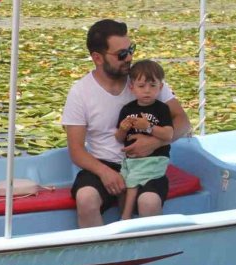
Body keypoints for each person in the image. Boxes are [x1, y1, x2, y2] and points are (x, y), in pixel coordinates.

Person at [61, 19, 190, 228]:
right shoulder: (80, 93)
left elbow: (183, 122)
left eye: (130, 49)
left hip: (146, 165)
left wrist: (155, 143)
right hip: (104, 164)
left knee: (149, 202)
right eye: (121, 54)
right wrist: (105, 173)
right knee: (85, 198)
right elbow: (76, 150)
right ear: (97, 58)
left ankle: (148, 255)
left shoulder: (145, 81)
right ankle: (101, 257)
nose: (129, 57)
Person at [115, 60, 174, 220]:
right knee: (125, 181)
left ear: (160, 87)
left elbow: (168, 134)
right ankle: (125, 217)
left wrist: (148, 127)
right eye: (141, 86)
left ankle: (125, 217)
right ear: (132, 87)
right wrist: (122, 129)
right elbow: (119, 138)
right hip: (131, 161)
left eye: (153, 86)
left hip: (154, 160)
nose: (147, 91)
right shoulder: (127, 110)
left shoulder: (162, 109)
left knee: (134, 180)